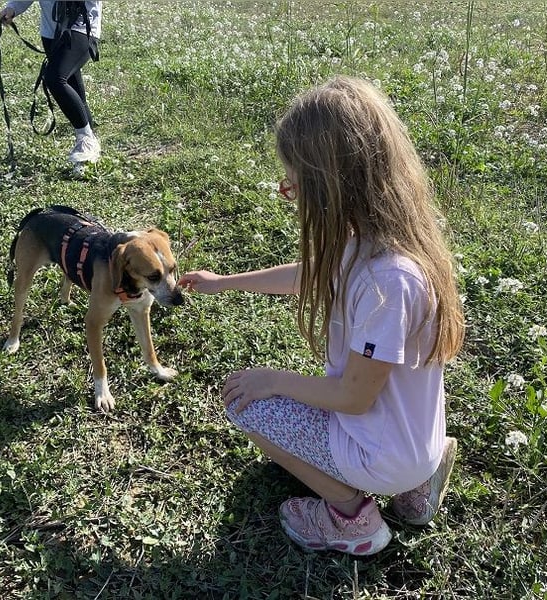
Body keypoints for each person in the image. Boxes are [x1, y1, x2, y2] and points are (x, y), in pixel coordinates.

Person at [178, 76, 465, 556]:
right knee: (382, 426)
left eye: (295, 184)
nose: (288, 192)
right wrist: (223, 282)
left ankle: (352, 518)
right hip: (416, 440)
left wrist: (272, 380)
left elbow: (352, 397)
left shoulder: (387, 283)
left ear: (332, 184)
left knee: (246, 405)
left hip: (382, 451)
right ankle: (417, 489)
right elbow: (309, 274)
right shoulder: (385, 240)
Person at [0, 1, 102, 164]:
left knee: (55, 78)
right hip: (51, 32)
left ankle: (86, 140)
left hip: (82, 27)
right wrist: (13, 8)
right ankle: (87, 154)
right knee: (72, 86)